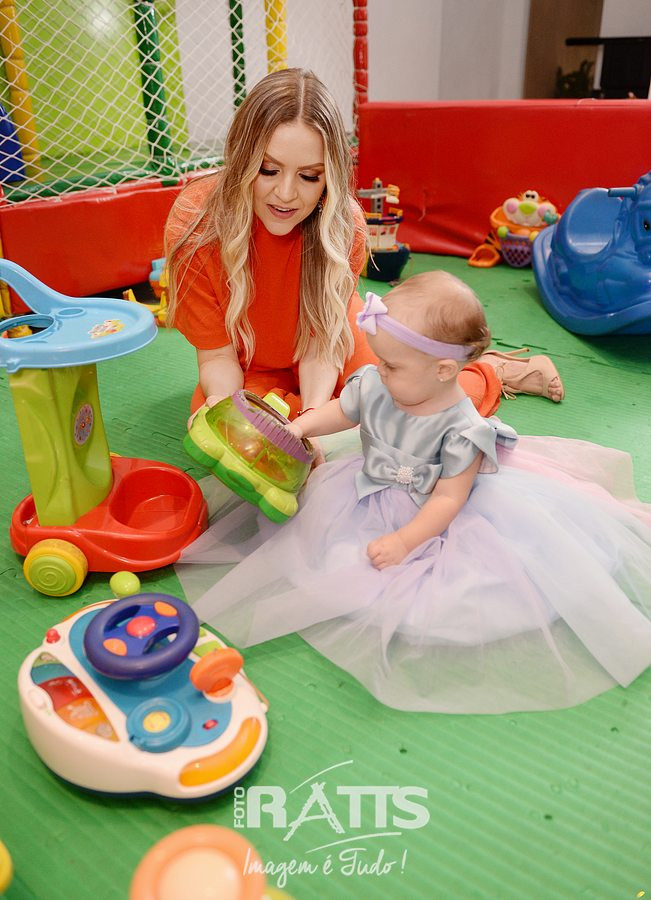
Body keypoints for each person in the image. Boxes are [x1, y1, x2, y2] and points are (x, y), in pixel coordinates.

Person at [176, 270, 651, 715]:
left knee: (453, 598)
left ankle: (507, 375)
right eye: (380, 361)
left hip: (433, 512)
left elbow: (448, 500)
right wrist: (302, 427)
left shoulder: (463, 431)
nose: (379, 371)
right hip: (368, 488)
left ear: (444, 370)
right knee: (315, 550)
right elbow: (343, 411)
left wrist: (405, 541)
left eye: (392, 365)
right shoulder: (377, 382)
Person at [165, 68, 563, 445]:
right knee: (231, 429)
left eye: (309, 176)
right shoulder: (196, 225)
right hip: (246, 362)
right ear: (242, 160)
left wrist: (315, 420)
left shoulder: (342, 224)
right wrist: (223, 406)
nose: (285, 194)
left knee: (405, 407)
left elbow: (322, 347)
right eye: (268, 170)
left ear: (330, 176)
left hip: (329, 345)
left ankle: (493, 370)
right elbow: (216, 356)